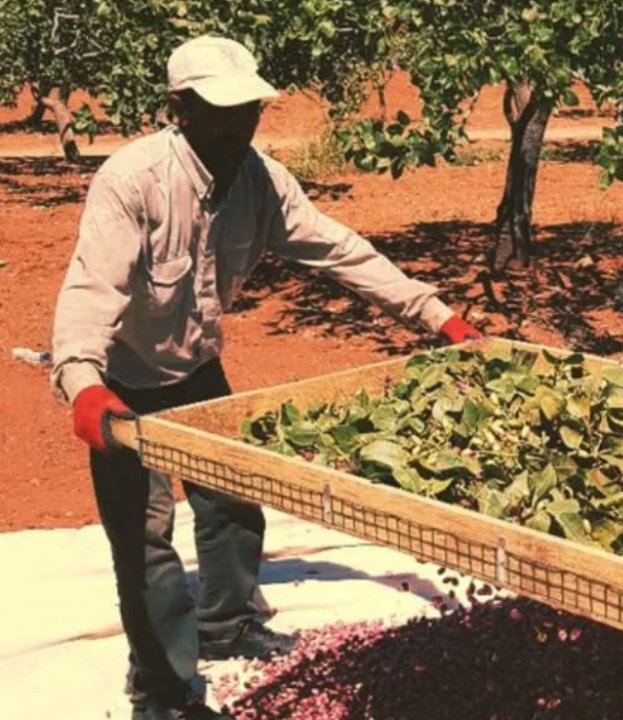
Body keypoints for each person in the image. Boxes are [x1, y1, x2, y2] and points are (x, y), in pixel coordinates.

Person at [50, 35, 482, 720]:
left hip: (195, 365)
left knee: (231, 501)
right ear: (179, 107)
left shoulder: (258, 180)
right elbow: (90, 290)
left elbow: (339, 250)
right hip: (126, 380)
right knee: (144, 539)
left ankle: (229, 623)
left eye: (248, 109)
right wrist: (82, 380)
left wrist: (437, 316)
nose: (238, 125)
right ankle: (160, 687)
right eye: (221, 111)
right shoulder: (133, 181)